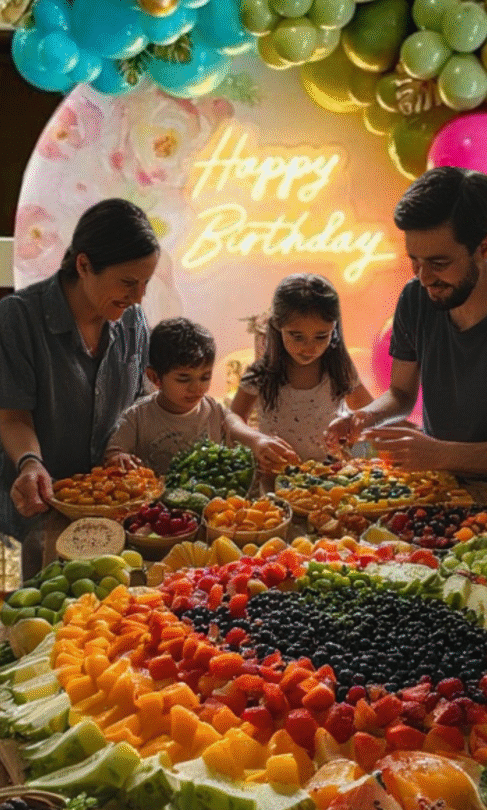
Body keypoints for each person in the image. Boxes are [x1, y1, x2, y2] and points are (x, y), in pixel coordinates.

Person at [325, 166, 487, 557]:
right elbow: (402, 393)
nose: (424, 277)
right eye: (414, 261)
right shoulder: (415, 298)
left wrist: (439, 453)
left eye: (439, 263)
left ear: (485, 248)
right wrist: (365, 417)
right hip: (443, 506)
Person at [0, 198, 160, 578]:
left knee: (94, 625)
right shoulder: (18, 318)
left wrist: (120, 450)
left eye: (145, 284)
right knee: (17, 620)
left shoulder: (133, 322)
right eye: (127, 282)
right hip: (25, 519)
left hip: (103, 525)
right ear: (84, 265)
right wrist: (31, 463)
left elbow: (138, 402)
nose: (138, 297)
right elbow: (12, 415)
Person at [230, 272, 373, 472]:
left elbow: (370, 411)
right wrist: (255, 440)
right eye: (297, 337)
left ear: (334, 328)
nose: (309, 347)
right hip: (278, 478)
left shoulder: (339, 368)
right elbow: (232, 418)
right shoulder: (262, 372)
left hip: (333, 476)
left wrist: (360, 452)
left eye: (321, 336)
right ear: (278, 326)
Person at [105, 317, 237, 476]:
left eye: (205, 377)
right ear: (155, 378)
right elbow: (113, 453)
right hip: (152, 498)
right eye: (183, 378)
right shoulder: (137, 417)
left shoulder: (214, 410)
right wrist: (119, 457)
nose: (196, 387)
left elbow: (236, 434)